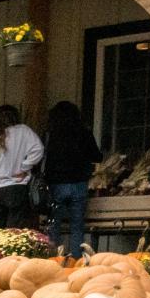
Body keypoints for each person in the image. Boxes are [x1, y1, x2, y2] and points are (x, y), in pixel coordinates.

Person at [43, 100, 103, 259]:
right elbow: (97, 156)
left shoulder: (51, 135)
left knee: (54, 225)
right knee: (77, 225)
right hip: (78, 183)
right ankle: (76, 259)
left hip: (56, 184)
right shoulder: (84, 132)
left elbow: (44, 159)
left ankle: (54, 258)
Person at [0, 104, 44, 229]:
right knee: (14, 232)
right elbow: (38, 149)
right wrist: (24, 167)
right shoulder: (23, 131)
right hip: (17, 188)